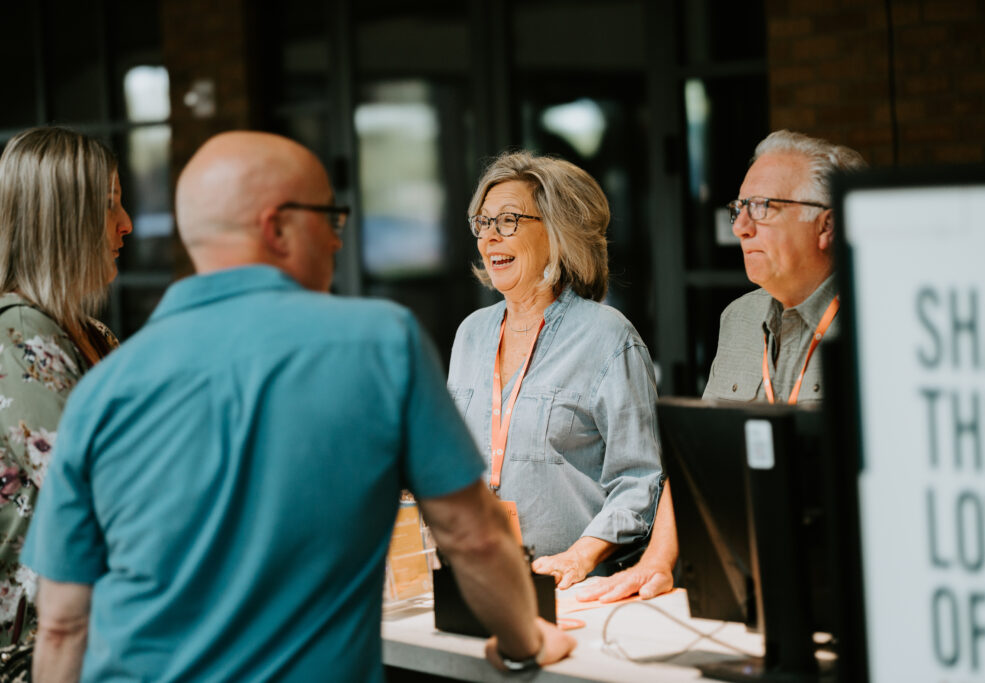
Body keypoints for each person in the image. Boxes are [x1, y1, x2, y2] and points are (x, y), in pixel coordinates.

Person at [20, 132, 574, 681]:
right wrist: (525, 640)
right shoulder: (380, 344)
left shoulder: (102, 386)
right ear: (278, 226)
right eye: (331, 219)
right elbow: (472, 535)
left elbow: (63, 626)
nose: (337, 241)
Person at [578, 129, 867, 603]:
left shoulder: (884, 323)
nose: (740, 228)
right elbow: (695, 463)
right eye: (739, 209)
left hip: (850, 589)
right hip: (748, 585)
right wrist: (655, 562)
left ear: (827, 225)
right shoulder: (739, 318)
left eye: (762, 208)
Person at [447, 151, 662, 589]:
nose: (490, 237)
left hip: (572, 588)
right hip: (478, 580)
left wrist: (579, 557)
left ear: (557, 232)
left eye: (507, 220)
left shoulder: (607, 335)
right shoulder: (470, 333)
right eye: (482, 223)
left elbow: (642, 481)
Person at [0, 126, 132, 648]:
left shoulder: (93, 335)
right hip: (43, 650)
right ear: (58, 221)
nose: (125, 226)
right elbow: (104, 492)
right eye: (107, 206)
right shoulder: (18, 333)